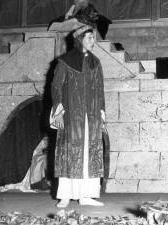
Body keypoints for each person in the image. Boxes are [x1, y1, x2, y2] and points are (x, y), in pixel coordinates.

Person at [50, 24, 106, 208]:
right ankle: (65, 196)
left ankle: (86, 195)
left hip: (92, 116)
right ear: (80, 39)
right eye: (90, 37)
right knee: (69, 153)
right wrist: (58, 110)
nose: (93, 41)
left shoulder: (96, 62)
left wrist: (102, 112)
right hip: (71, 115)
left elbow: (100, 89)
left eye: (94, 37)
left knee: (90, 153)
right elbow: (56, 86)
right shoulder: (64, 62)